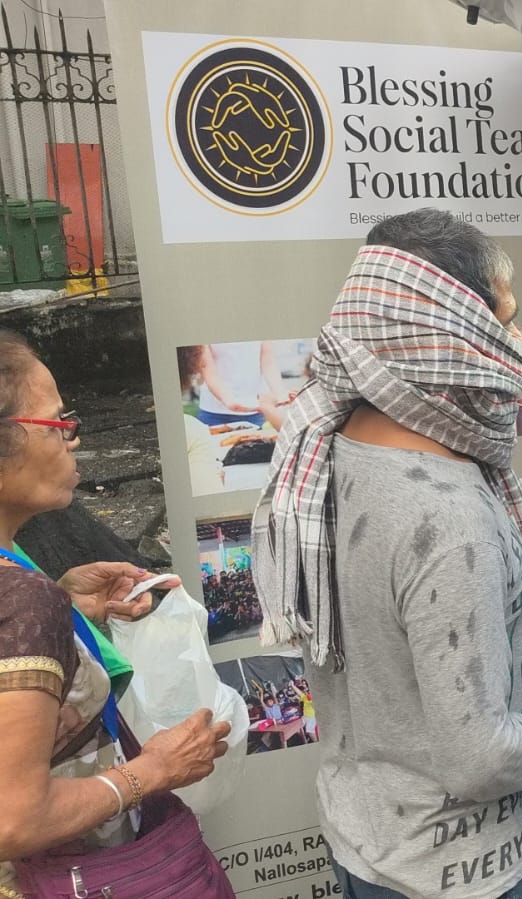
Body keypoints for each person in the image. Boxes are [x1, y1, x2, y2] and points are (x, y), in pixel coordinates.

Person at [252, 209, 522, 899]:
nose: (517, 342)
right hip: (459, 872)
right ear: (448, 329)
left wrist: (506, 645)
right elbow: (481, 758)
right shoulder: (449, 513)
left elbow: (393, 632)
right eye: (504, 320)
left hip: (367, 843)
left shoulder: (326, 450)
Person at [0, 334, 231, 897]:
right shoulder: (22, 599)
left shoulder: (22, 584)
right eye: (57, 423)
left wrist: (69, 613)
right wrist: (154, 771)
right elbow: (13, 819)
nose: (73, 437)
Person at [190, 341, 291, 428]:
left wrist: (281, 394)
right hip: (214, 413)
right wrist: (228, 400)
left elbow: (268, 363)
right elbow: (208, 369)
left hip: (256, 412)